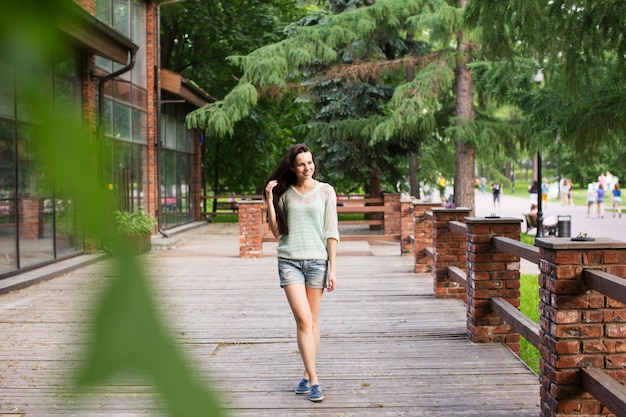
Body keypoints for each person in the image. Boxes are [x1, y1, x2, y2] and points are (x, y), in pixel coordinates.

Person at [264, 144, 339, 403]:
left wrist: (333, 268)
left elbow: (331, 231)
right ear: (293, 168)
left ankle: (307, 374)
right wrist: (269, 200)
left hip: (318, 262)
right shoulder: (285, 194)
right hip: (289, 261)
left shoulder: (326, 191)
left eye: (309, 163)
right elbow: (276, 232)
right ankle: (316, 381)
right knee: (304, 321)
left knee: (313, 321)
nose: (307, 168)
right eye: (301, 164)